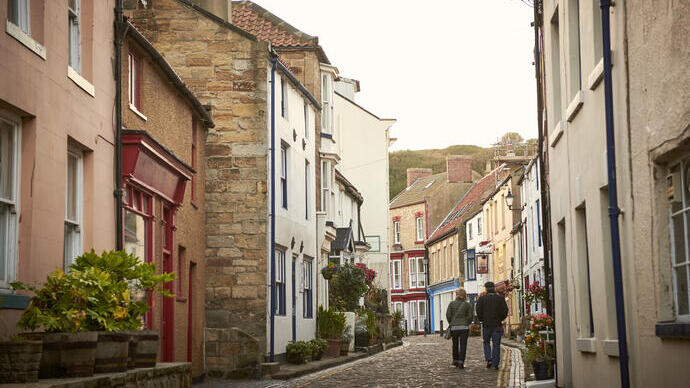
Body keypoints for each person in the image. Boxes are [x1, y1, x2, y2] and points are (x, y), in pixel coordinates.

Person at [475, 281, 508, 370]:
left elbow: (478, 311)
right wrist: (500, 319)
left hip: (486, 325)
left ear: (486, 289)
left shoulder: (482, 299)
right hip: (497, 324)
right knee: (496, 344)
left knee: (486, 342)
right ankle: (495, 363)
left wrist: (482, 319)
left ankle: (489, 358)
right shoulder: (500, 298)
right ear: (494, 288)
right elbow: (505, 311)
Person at [445, 288, 473, 369]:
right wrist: (466, 322)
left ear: (456, 295)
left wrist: (451, 322)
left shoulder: (451, 304)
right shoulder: (467, 305)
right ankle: (461, 362)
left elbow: (448, 315)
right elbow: (470, 316)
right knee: (463, 345)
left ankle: (455, 361)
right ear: (464, 295)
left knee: (455, 344)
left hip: (454, 328)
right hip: (464, 327)